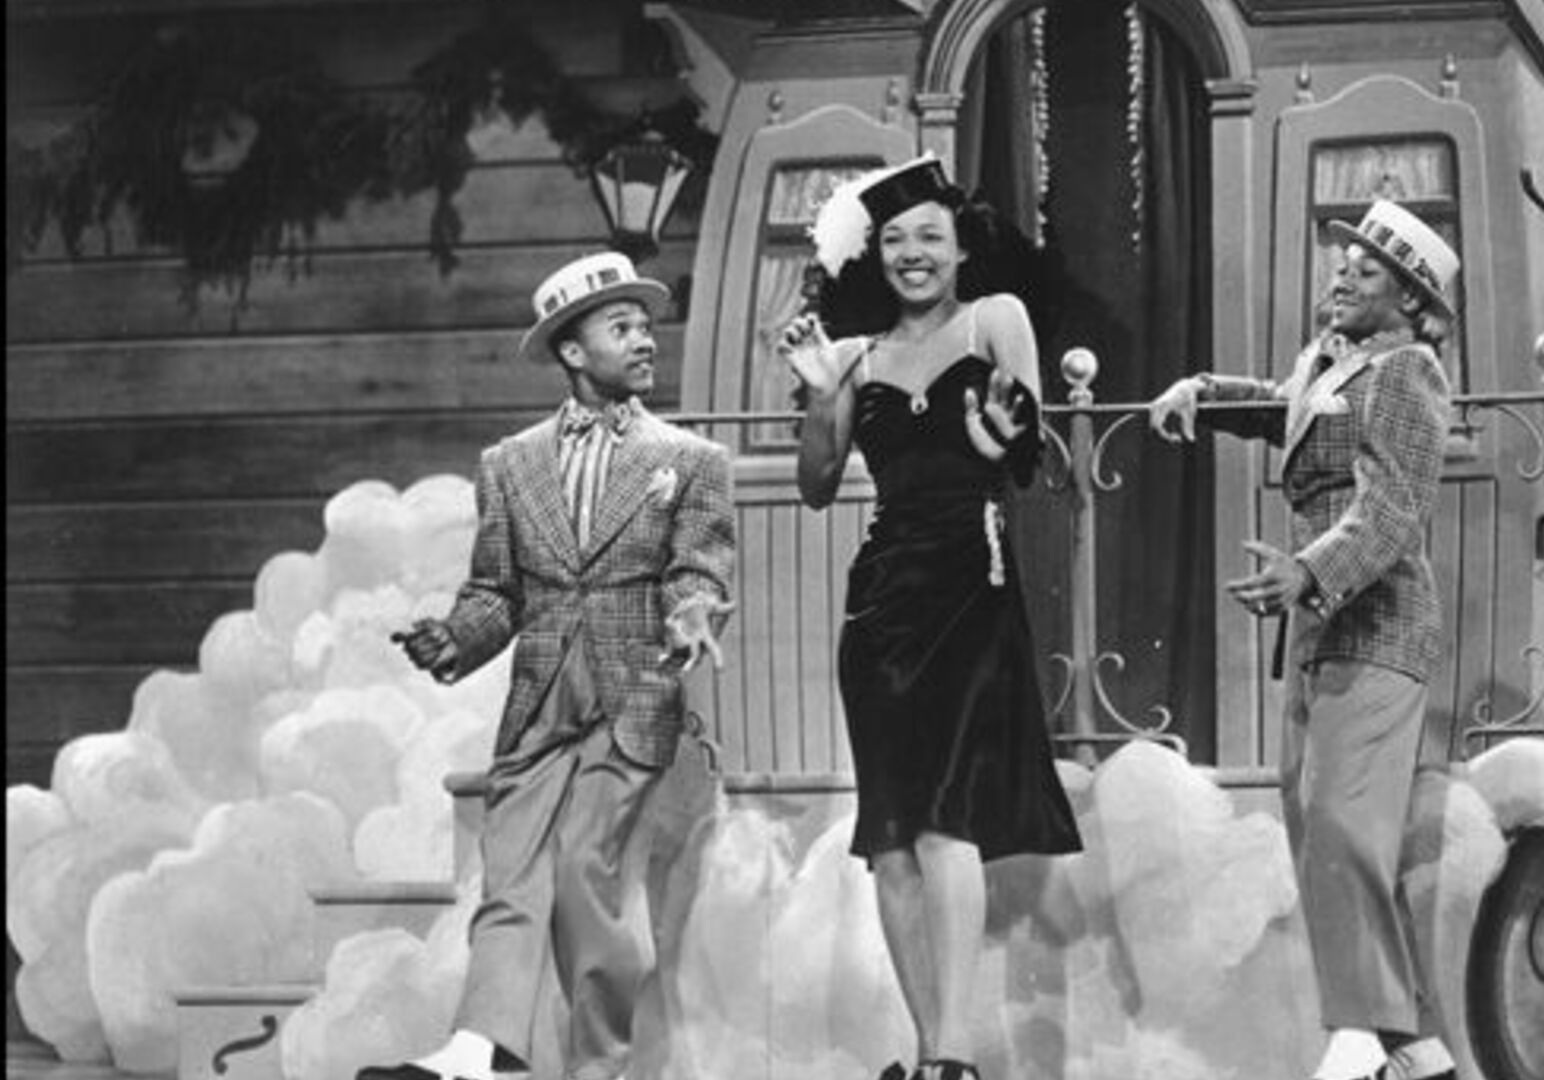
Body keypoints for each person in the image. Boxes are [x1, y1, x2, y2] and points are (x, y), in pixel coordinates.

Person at [363, 250, 737, 1080]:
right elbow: (496, 593)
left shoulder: (691, 461)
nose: (645, 340)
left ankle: (598, 1065)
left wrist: (693, 612)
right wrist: (453, 639)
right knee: (511, 873)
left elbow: (699, 571)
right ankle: (479, 1052)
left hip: (631, 692)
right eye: (622, 327)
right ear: (572, 350)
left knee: (583, 871)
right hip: (541, 699)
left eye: (646, 326)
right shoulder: (510, 463)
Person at [778, 155, 1081, 1080]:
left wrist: (1004, 433)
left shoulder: (996, 319)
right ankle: (928, 1055)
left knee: (948, 817)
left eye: (930, 238)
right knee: (893, 837)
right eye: (897, 241)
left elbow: (1026, 454)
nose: (914, 254)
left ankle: (954, 1053)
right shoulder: (853, 356)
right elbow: (816, 486)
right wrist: (820, 397)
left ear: (960, 249)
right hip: (882, 603)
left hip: (970, 586)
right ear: (879, 256)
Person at [1147, 199, 1459, 1080]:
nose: (1343, 277)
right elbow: (1284, 409)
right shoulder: (1334, 363)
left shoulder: (1407, 371)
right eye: (1342, 263)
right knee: (1312, 821)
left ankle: (1359, 1032)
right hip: (1324, 626)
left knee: (1342, 825)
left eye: (1368, 271)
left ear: (1410, 300)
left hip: (1381, 624)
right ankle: (1415, 1047)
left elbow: (1393, 507)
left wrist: (1309, 572)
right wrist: (1203, 394)